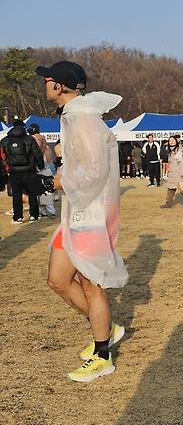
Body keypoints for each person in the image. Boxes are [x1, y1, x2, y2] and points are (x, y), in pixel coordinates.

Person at [36, 60, 128, 383]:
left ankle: (103, 355)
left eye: (47, 80)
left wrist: (58, 182)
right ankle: (106, 328)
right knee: (58, 279)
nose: (45, 85)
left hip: (90, 212)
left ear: (59, 86)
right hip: (76, 212)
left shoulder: (82, 117)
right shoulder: (73, 116)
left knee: (90, 282)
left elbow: (93, 168)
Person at [0, 117, 44, 223]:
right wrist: (40, 166)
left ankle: (18, 217)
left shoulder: (4, 140)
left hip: (14, 171)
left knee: (16, 195)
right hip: (30, 170)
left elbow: (2, 157)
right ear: (23, 127)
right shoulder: (29, 139)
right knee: (32, 193)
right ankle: (34, 215)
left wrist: (5, 171)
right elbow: (37, 153)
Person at [27, 123, 57, 217]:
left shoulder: (36, 138)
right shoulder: (41, 137)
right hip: (45, 165)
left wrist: (35, 164)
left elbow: (38, 151)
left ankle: (48, 211)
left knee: (41, 189)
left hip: (40, 166)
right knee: (45, 188)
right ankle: (47, 211)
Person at [161, 136, 183, 208]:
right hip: (171, 172)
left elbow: (182, 162)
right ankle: (168, 203)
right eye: (170, 140)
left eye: (173, 140)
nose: (171, 142)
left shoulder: (179, 150)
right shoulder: (169, 150)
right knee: (170, 188)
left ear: (176, 141)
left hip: (178, 172)